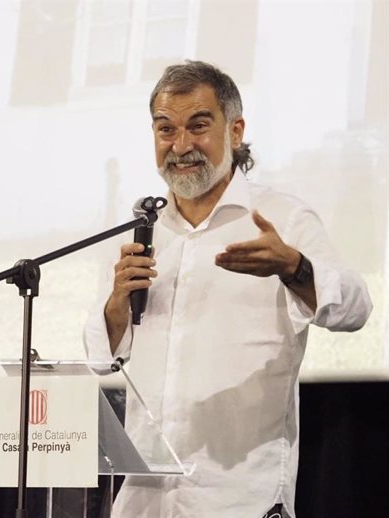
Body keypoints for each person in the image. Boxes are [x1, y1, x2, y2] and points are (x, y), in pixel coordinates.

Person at [83, 61, 372, 518]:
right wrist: (117, 302)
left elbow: (356, 309)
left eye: (198, 126)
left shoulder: (283, 216)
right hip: (144, 499)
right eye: (165, 130)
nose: (180, 146)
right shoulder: (140, 230)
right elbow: (100, 360)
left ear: (235, 131)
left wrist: (294, 268)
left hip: (240, 498)